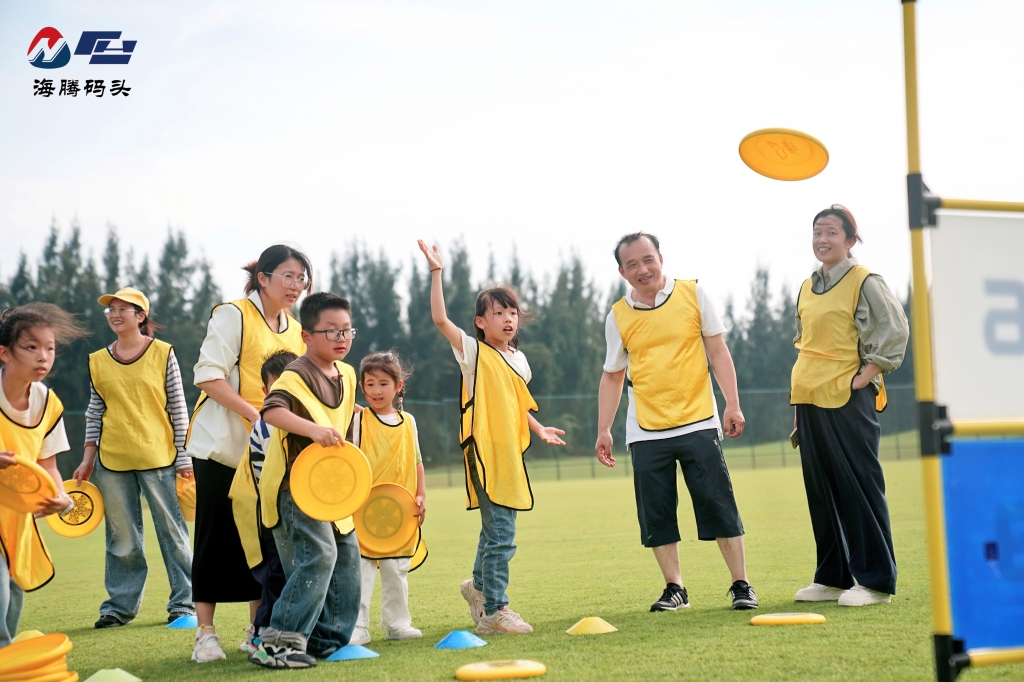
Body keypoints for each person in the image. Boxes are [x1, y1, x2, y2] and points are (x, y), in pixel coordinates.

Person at [595, 232, 758, 612]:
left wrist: (732, 404)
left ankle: (741, 584)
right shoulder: (618, 315)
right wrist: (604, 429)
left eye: (647, 259)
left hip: (698, 420)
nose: (642, 269)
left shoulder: (693, 293)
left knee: (718, 505)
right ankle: (675, 588)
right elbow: (613, 375)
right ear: (621, 271)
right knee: (657, 514)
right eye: (632, 264)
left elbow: (717, 351)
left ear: (661, 259)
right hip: (645, 429)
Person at [417, 240, 566, 636]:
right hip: (483, 453)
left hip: (509, 455)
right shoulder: (472, 353)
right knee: (502, 534)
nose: (507, 319)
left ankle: (478, 587)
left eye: (512, 312)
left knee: (496, 528)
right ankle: (494, 611)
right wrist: (437, 272)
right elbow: (440, 320)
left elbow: (516, 403)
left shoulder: (520, 361)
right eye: (498, 313)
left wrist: (538, 427)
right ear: (481, 322)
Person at [186, 245, 310, 662]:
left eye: (302, 278)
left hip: (266, 455)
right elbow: (208, 377)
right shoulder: (233, 315)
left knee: (265, 542)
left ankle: (256, 631)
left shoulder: (295, 329)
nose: (296, 285)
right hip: (221, 447)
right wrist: (257, 415)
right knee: (213, 539)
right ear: (263, 278)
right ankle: (205, 635)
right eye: (288, 276)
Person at [790, 205, 908, 607]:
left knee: (859, 486)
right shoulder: (807, 285)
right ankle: (832, 578)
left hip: (848, 396)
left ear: (850, 240)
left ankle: (876, 583)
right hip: (809, 398)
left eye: (831, 232)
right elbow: (805, 344)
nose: (822, 239)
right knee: (821, 491)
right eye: (817, 232)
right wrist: (798, 407)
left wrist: (867, 373)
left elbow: (895, 329)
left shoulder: (865, 280)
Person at [250, 292, 361, 669]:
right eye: (331, 331)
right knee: (320, 555)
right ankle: (275, 645)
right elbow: (271, 411)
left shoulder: (347, 373)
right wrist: (313, 430)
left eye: (347, 330)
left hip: (332, 487)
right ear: (306, 336)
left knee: (347, 556)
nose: (341, 338)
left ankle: (324, 641)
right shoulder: (295, 374)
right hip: (295, 486)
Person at [73, 288, 194, 629]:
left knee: (173, 534)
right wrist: (87, 458)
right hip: (112, 461)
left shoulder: (163, 353)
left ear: (141, 316)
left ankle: (184, 604)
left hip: (160, 457)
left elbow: (178, 407)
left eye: (123, 309)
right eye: (110, 310)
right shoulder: (97, 360)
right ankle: (118, 608)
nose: (114, 314)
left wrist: (184, 457)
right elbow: (95, 411)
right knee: (122, 538)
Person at [0, 303, 87, 648]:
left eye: (49, 348)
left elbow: (47, 463)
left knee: (13, 589)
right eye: (31, 347)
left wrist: (61, 497)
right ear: (4, 353)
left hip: (18, 516)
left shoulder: (49, 403)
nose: (43, 357)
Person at [351, 350, 426, 646]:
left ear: (398, 386)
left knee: (397, 569)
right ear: (361, 386)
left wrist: (421, 495)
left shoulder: (409, 422)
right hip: (365, 509)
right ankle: (358, 627)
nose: (376, 390)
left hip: (400, 510)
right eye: (370, 384)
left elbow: (417, 461)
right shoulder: (358, 420)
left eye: (383, 383)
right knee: (362, 569)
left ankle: (397, 624)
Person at [228, 349, 297, 651]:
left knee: (291, 571)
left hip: (292, 510)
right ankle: (260, 634)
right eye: (276, 386)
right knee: (276, 573)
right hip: (270, 513)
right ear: (266, 391)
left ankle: (285, 632)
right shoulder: (268, 424)